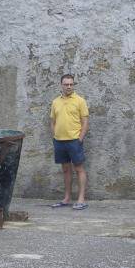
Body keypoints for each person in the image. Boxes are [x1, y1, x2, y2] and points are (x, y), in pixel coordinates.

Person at [50, 74, 89, 210]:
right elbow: (53, 122)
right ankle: (67, 199)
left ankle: (81, 199)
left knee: (79, 169)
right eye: (66, 84)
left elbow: (85, 122)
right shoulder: (55, 102)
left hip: (74, 141)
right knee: (66, 170)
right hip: (59, 141)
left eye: (71, 84)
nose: (69, 86)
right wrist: (55, 136)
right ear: (61, 85)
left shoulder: (80, 101)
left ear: (73, 85)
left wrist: (80, 139)